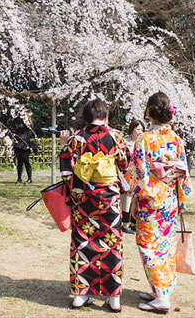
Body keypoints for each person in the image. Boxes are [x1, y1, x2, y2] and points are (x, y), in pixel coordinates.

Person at [59, 99, 130, 312]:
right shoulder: (116, 136)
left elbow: (66, 172)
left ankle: (80, 295)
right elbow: (124, 164)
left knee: (82, 242)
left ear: (86, 117)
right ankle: (113, 296)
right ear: (105, 116)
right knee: (112, 244)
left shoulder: (77, 138)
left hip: (84, 199)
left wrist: (64, 146)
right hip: (109, 198)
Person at [133, 92, 192, 313]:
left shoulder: (144, 139)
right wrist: (182, 197)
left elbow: (138, 172)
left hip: (151, 199)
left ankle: (162, 297)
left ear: (149, 112)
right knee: (165, 247)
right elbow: (183, 170)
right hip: (169, 198)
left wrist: (137, 192)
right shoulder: (176, 138)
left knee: (149, 246)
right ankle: (160, 289)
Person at [122, 119, 144, 234]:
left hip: (139, 176)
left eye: (142, 129)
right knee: (127, 199)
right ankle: (125, 223)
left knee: (138, 199)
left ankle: (134, 222)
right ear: (132, 130)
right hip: (127, 175)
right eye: (137, 129)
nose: (140, 132)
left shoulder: (143, 143)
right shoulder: (125, 142)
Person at [13, 119, 37, 184]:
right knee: (19, 162)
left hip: (25, 145)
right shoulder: (17, 122)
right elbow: (14, 127)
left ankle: (29, 178)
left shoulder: (28, 125)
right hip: (18, 144)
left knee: (26, 162)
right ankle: (19, 178)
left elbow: (31, 130)